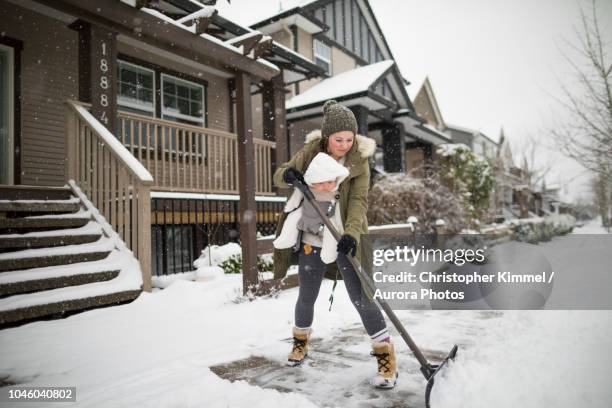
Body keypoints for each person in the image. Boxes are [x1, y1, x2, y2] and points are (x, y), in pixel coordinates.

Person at [272, 100, 398, 389]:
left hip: (345, 238)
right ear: (327, 137)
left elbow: (358, 201)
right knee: (307, 294)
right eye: (338, 139)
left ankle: (386, 358)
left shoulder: (359, 162)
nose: (344, 144)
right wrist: (288, 174)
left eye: (349, 139)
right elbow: (281, 174)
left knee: (362, 298)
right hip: (311, 237)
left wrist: (352, 233)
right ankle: (300, 343)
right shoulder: (310, 152)